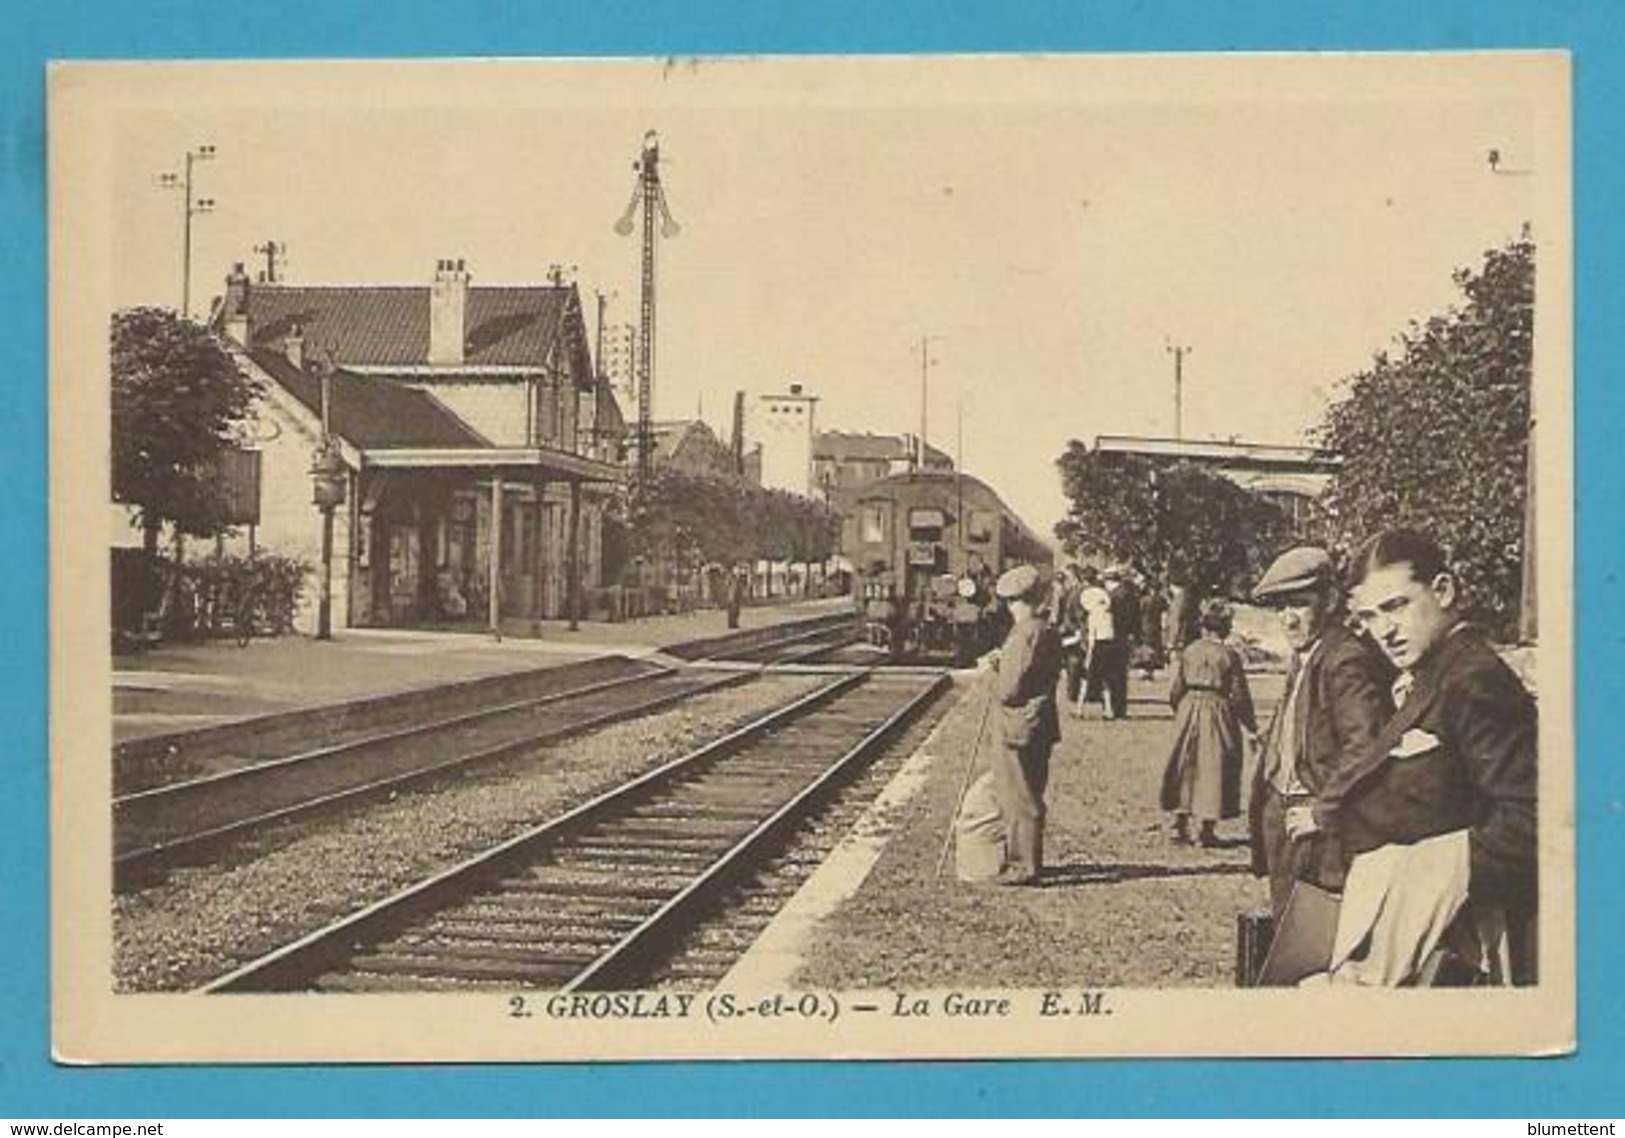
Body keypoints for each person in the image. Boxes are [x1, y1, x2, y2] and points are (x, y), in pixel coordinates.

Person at [1291, 529, 1538, 985]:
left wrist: (1430, 869)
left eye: (1396, 606)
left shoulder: (1472, 678)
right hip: (1399, 933)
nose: (1384, 630)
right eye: (1369, 616)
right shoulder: (1430, 674)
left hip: (1448, 945)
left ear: (1443, 591)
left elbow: (1532, 822)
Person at [1248, 545, 1395, 921]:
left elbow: (1366, 745)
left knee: (1311, 938)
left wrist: (1322, 810)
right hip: (1285, 814)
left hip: (1316, 827)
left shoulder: (1344, 658)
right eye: (1279, 607)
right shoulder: (1310, 653)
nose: (1288, 619)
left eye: (1298, 604)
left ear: (1330, 600)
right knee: (1287, 929)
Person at [965, 563, 1064, 886]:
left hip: (1017, 724)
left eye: (1011, 602)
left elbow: (1008, 690)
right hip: (1040, 721)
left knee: (1017, 796)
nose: (1009, 608)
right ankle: (1028, 860)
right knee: (1031, 790)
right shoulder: (1047, 629)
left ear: (1018, 601)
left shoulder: (1023, 633)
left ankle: (1024, 866)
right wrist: (1002, 661)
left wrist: (988, 672)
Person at [1160, 599, 1257, 847]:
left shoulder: (1190, 650)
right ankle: (1205, 829)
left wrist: (1181, 710)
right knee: (1215, 766)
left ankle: (1178, 823)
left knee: (1184, 763)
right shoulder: (1229, 655)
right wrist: (1251, 725)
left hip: (1189, 706)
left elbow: (1176, 689)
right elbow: (1240, 694)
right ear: (1225, 627)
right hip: (1218, 709)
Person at [1074, 566, 1120, 719]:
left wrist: (1088, 656)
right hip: (1110, 647)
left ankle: (1079, 709)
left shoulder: (1092, 615)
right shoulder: (1108, 614)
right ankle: (1109, 710)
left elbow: (1092, 637)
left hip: (1097, 648)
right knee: (1105, 681)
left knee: (1085, 680)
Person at [1136, 574, 1169, 679]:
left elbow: (1139, 613)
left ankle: (1145, 670)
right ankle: (1150, 670)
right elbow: (1166, 611)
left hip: (1145, 626)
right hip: (1156, 626)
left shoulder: (1144, 600)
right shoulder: (1161, 599)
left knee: (1146, 648)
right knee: (1153, 648)